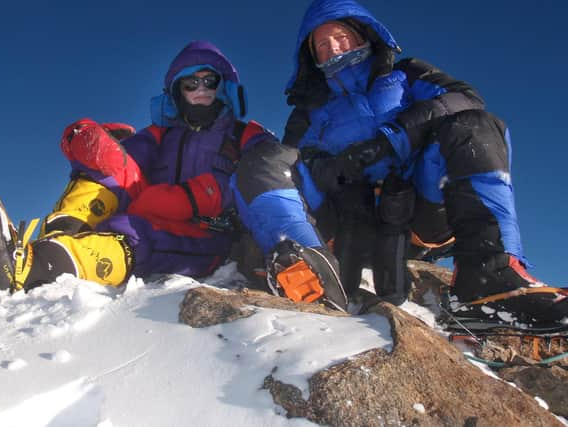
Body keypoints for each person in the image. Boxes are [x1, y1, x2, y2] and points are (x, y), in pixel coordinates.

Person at [234, 0, 568, 324]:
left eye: (340, 37)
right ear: (311, 55)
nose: (333, 48)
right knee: (264, 161)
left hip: (419, 209)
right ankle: (309, 267)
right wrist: (330, 169)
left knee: (474, 127)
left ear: (363, 35)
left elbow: (465, 99)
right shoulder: (306, 112)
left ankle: (488, 276)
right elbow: (295, 163)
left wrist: (389, 141)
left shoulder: (407, 74)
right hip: (344, 222)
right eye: (322, 44)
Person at [4, 40, 281, 291]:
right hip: (148, 212)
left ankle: (49, 266)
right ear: (177, 91)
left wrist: (190, 198)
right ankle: (60, 236)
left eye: (209, 81)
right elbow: (121, 167)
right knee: (106, 168)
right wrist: (92, 145)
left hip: (210, 236)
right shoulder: (159, 135)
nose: (201, 90)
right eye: (191, 84)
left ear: (223, 87)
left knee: (135, 232)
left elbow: (269, 178)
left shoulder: (243, 134)